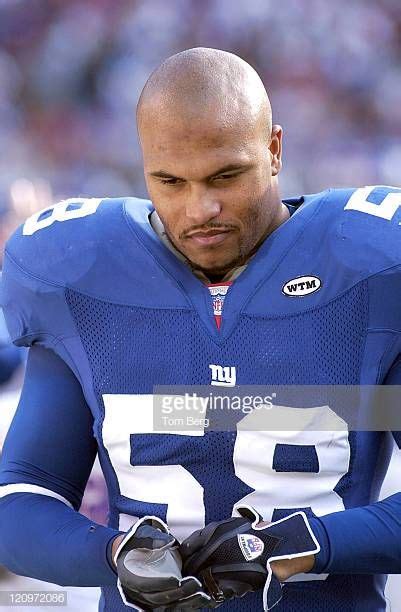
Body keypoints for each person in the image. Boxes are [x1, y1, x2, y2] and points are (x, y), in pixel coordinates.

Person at [0, 47, 401, 612]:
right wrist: (114, 554)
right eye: (170, 181)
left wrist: (307, 543)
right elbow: (24, 495)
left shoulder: (370, 270)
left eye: (226, 176)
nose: (199, 208)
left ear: (274, 149)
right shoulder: (82, 278)